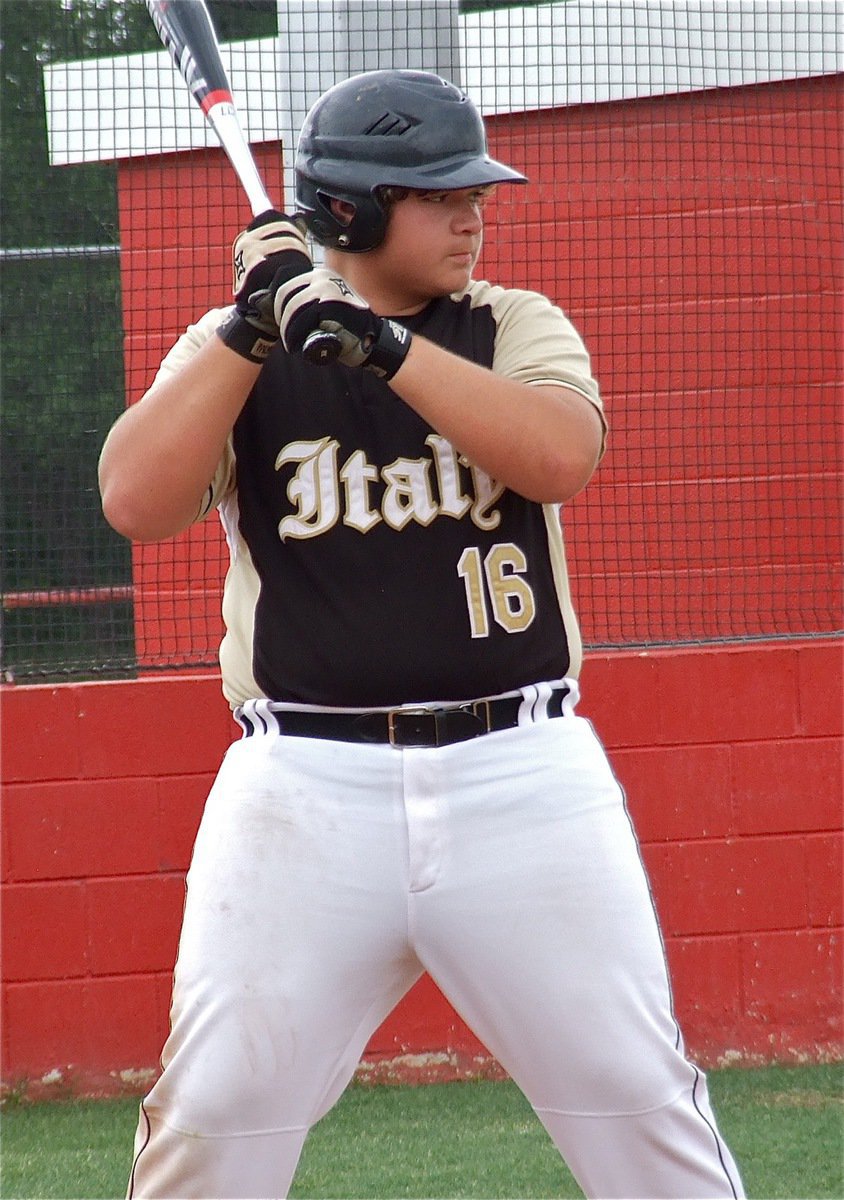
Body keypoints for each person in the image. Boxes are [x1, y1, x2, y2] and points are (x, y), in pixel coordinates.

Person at [99, 69, 744, 1200]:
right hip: (303, 788)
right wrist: (252, 327)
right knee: (218, 1112)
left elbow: (558, 456)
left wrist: (377, 344)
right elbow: (134, 502)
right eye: (439, 195)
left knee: (637, 1100)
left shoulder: (508, 323)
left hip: (522, 773)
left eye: (473, 191)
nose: (472, 213)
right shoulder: (237, 347)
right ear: (348, 211)